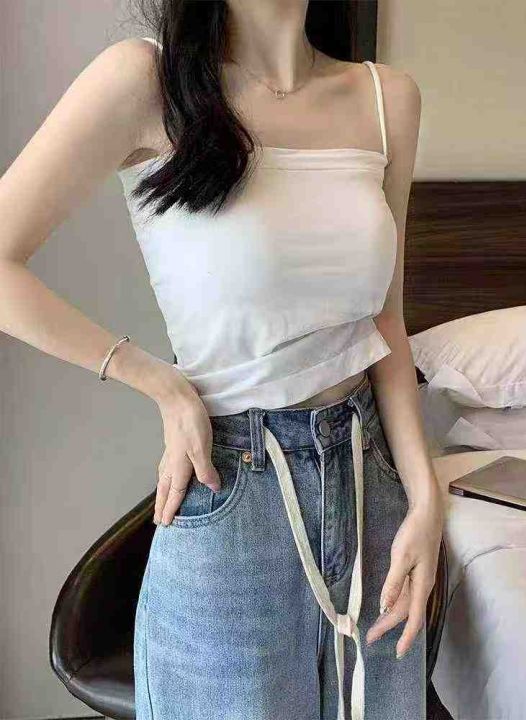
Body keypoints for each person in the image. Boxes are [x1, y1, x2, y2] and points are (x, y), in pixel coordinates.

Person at [0, 1, 445, 718]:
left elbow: (384, 319)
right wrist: (159, 382)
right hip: (233, 491)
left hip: (375, 495)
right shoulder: (145, 80)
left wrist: (426, 497)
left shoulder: (388, 97)